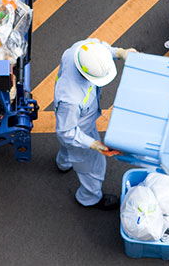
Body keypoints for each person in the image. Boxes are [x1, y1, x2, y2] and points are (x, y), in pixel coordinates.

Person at [53, 38, 134, 210]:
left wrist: (119, 52)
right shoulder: (71, 99)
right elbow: (66, 132)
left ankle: (63, 163)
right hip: (80, 128)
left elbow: (100, 49)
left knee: (68, 149)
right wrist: (93, 144)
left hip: (74, 118)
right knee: (93, 168)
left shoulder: (78, 51)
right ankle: (89, 197)